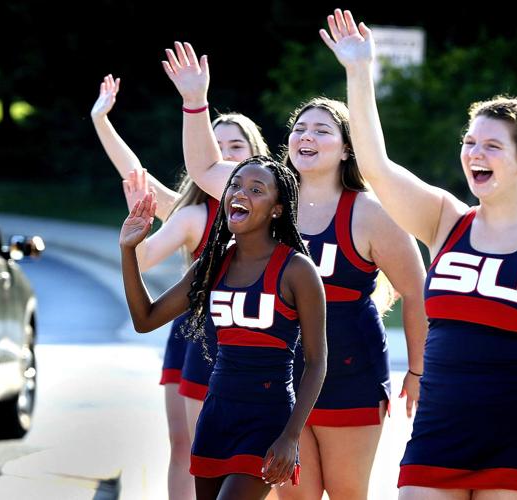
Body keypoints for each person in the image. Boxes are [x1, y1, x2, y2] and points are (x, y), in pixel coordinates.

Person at [321, 8, 517, 498]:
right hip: (440, 431)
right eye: (469, 142)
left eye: (491, 146)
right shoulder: (444, 219)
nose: (474, 154)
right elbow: (375, 167)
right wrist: (359, 71)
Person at [163, 42, 429, 499]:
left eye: (322, 130)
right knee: (294, 495)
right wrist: (194, 102)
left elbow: (416, 290)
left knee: (346, 492)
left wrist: (419, 371)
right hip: (281, 381)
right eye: (300, 128)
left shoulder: (370, 212)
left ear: (347, 148)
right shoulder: (271, 196)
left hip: (350, 373)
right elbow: (205, 167)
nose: (307, 136)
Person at [91, 73, 269, 499]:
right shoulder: (188, 210)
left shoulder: (277, 215)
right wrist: (101, 119)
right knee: (187, 449)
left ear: (255, 156)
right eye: (216, 145)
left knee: (255, 457)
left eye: (235, 148)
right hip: (194, 337)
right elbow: (136, 176)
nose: (223, 155)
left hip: (255, 341)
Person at [121, 155, 327, 500]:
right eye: (234, 185)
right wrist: (129, 250)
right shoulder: (212, 264)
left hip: (267, 418)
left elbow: (317, 361)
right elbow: (146, 319)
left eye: (255, 189)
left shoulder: (297, 270)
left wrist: (291, 436)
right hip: (216, 415)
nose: (239, 193)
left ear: (277, 209)